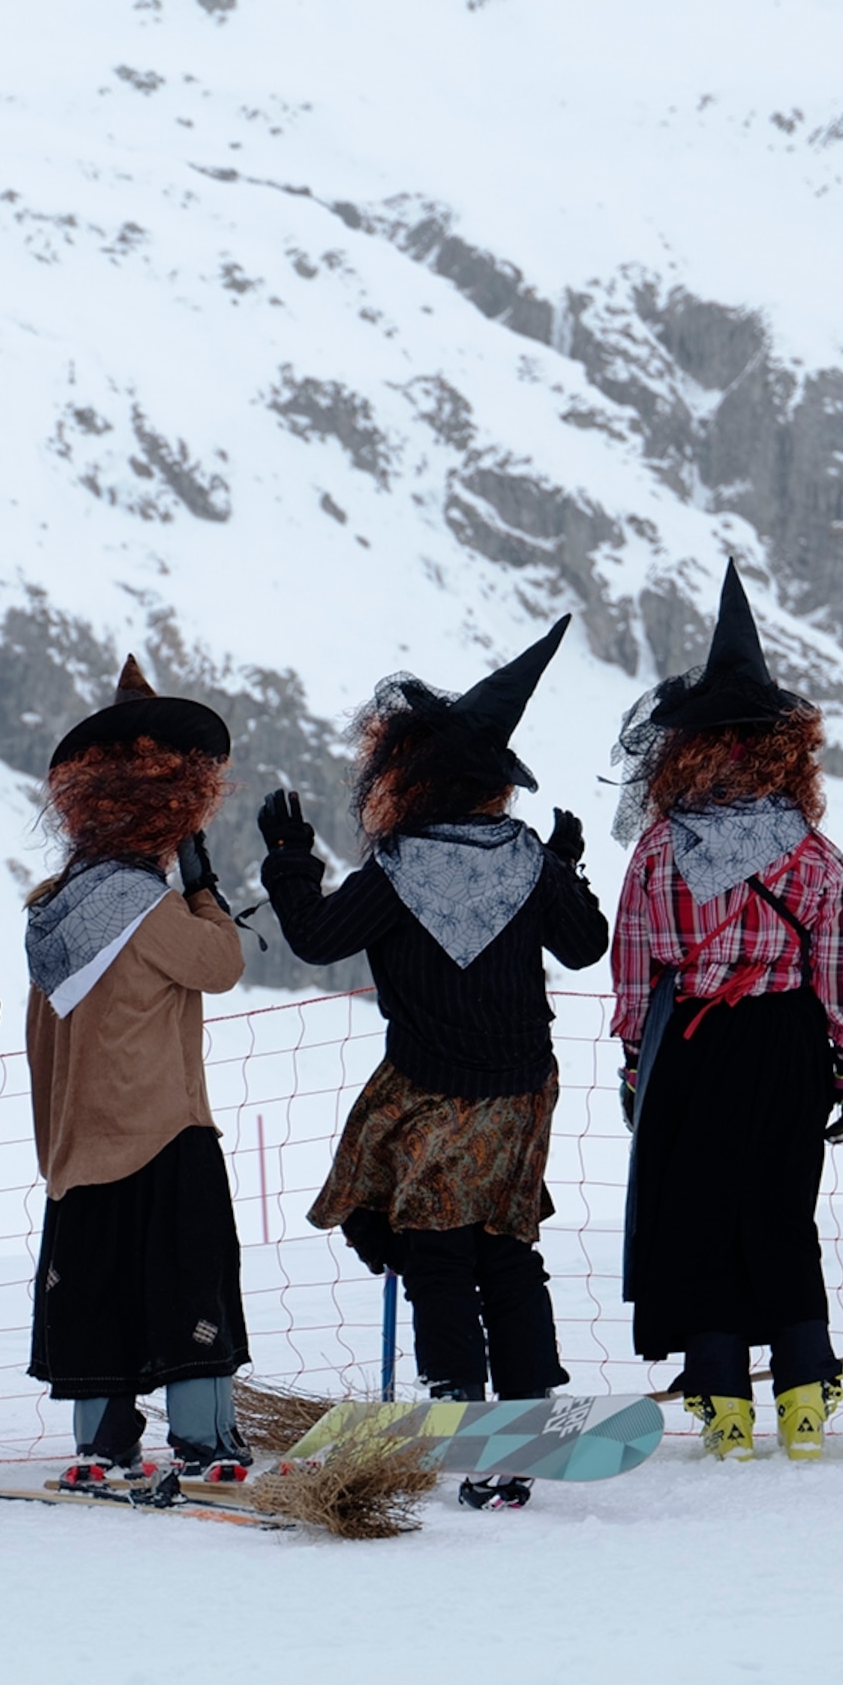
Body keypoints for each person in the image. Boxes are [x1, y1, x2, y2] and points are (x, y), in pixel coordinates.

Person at [258, 619, 607, 1510]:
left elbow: (315, 937)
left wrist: (292, 863)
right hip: (519, 1092)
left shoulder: (398, 866)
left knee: (436, 1257)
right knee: (506, 1246)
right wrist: (566, 868)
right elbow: (584, 947)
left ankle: (458, 1403)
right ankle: (528, 1408)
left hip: (425, 1092)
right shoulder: (528, 859)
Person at [609, 566, 843, 1463]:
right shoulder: (816, 853)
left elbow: (636, 968)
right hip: (788, 1044)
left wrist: (635, 1066)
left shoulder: (656, 850)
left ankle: (722, 1402)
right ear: (778, 750)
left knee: (697, 1217)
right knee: (780, 1212)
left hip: (690, 1047)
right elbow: (838, 966)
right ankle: (804, 1392)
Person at [20, 658, 250, 1476]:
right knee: (189, 1288)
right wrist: (202, 886)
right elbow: (219, 963)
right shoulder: (145, 907)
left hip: (80, 1143)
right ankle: (205, 1438)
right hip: (163, 1126)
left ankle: (102, 1439)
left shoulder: (54, 913)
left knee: (96, 1291)